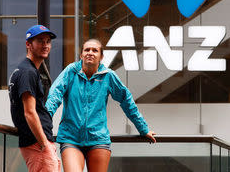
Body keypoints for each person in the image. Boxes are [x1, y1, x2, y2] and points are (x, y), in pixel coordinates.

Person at [46, 39, 156, 172]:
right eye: (87, 50)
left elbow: (127, 101)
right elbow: (54, 96)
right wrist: (43, 124)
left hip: (98, 139)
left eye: (95, 50)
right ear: (81, 55)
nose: (90, 53)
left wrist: (143, 129)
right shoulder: (70, 72)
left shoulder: (108, 76)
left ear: (101, 56)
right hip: (71, 138)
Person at [8, 24, 61, 172]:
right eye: (40, 41)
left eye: (48, 41)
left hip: (37, 143)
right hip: (37, 144)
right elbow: (29, 112)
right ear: (28, 44)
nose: (45, 45)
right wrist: (44, 144)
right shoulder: (28, 72)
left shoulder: (26, 70)